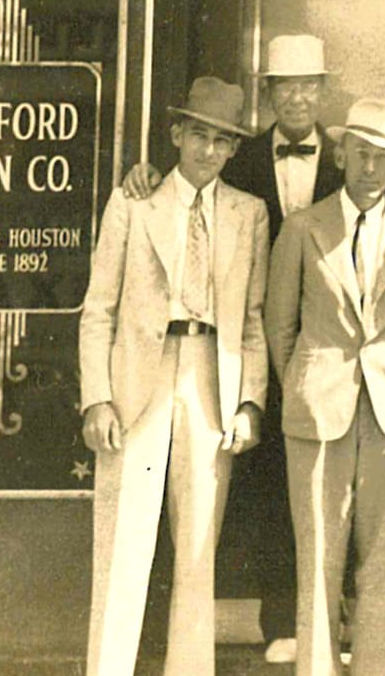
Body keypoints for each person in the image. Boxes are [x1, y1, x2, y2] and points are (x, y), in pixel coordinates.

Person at [121, 31, 342, 665]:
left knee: (318, 486)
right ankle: (261, 624)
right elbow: (179, 191)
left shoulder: (346, 159)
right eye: (285, 87)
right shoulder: (236, 160)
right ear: (269, 94)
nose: (297, 98)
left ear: (321, 92)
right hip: (243, 343)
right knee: (248, 484)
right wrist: (143, 176)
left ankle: (315, 625)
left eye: (308, 86)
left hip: (326, 341)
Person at [78, 76, 270, 676]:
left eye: (222, 141)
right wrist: (97, 398)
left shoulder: (249, 214)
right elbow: (98, 309)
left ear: (233, 150)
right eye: (199, 135)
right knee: (125, 540)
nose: (209, 150)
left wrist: (250, 402)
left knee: (197, 545)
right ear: (177, 134)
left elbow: (252, 318)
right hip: (141, 378)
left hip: (211, 378)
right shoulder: (134, 203)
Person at [265, 97, 385, 676]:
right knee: (318, 551)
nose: (370, 167)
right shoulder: (302, 227)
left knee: (383, 555)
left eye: (382, 158)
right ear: (341, 155)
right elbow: (279, 324)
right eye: (361, 153)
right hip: (318, 407)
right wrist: (307, 379)